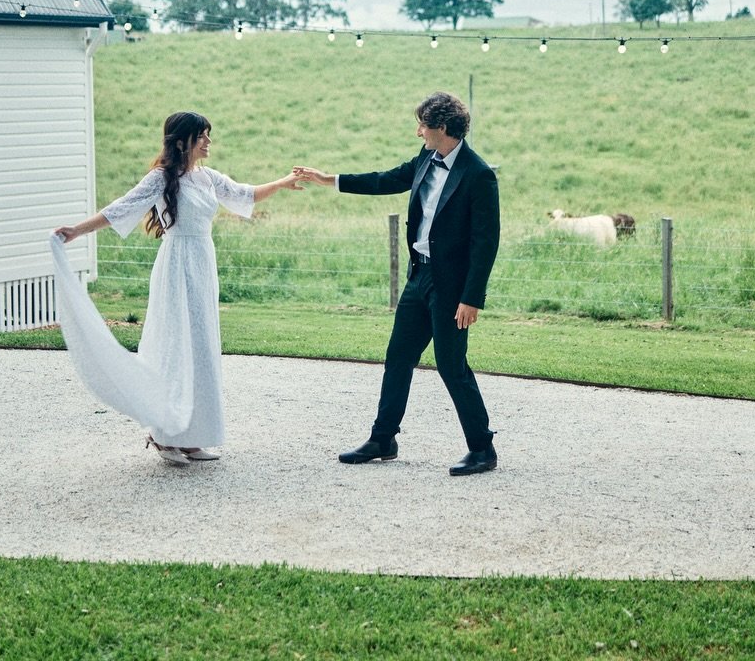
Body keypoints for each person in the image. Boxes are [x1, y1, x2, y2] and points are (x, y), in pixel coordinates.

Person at [54, 111, 301, 466]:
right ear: (183, 140)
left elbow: (244, 194)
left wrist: (282, 182)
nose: (208, 142)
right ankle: (164, 433)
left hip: (202, 265)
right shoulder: (161, 178)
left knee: (200, 346)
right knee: (175, 344)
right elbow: (120, 208)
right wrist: (77, 230)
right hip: (177, 264)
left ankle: (192, 435)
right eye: (203, 136)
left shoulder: (207, 178)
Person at [294, 91, 500, 476]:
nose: (418, 131)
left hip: (452, 289)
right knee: (398, 357)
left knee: (451, 366)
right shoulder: (427, 157)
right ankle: (383, 439)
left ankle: (482, 448)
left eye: (423, 124)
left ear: (441, 128)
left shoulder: (479, 174)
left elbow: (486, 243)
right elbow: (386, 179)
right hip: (419, 277)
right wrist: (330, 180)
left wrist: (472, 298)